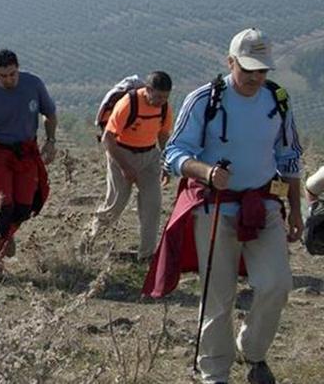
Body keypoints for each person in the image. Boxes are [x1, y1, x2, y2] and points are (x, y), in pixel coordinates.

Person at [142, 28, 303, 384]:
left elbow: (289, 155)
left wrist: (295, 208)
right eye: (248, 69)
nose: (256, 78)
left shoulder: (277, 98)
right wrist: (206, 172)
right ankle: (214, 372)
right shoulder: (204, 100)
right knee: (218, 295)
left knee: (277, 284)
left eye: (263, 70)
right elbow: (173, 154)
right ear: (230, 62)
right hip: (215, 208)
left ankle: (253, 350)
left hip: (263, 206)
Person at [0, 49, 57, 265]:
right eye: (3, 76)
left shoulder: (33, 84)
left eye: (12, 74)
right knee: (2, 205)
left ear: (18, 68)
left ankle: (4, 235)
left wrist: (51, 141)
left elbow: (50, 113)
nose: (9, 79)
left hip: (26, 152)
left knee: (25, 206)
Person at [81, 71, 174, 261]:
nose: (161, 101)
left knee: (153, 205)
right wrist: (124, 167)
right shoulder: (128, 103)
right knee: (115, 205)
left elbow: (163, 135)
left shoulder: (164, 108)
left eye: (165, 97)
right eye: (157, 97)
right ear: (147, 90)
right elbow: (108, 138)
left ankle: (146, 255)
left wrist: (168, 162)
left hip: (149, 157)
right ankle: (88, 241)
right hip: (121, 154)